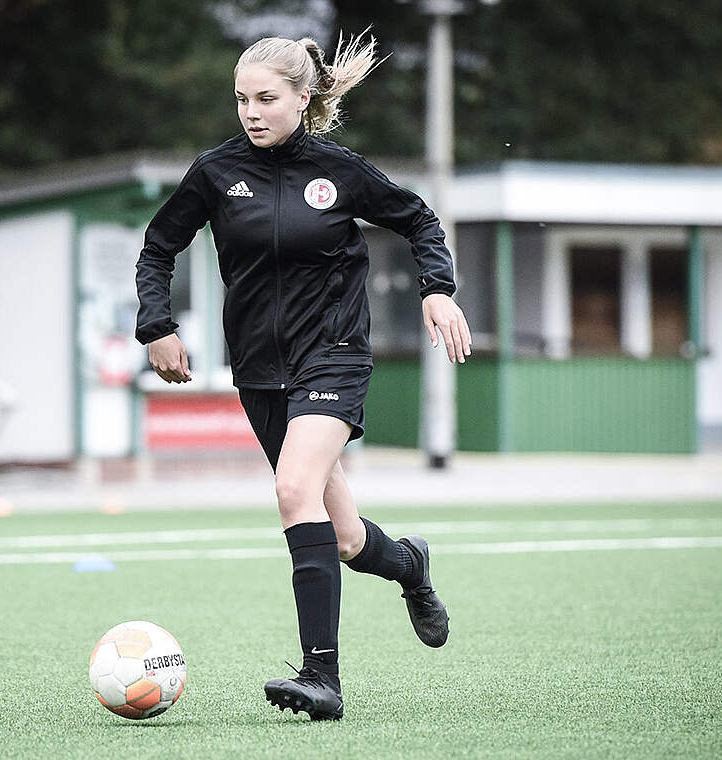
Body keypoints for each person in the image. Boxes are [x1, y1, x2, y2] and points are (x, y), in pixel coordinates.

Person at [135, 34, 472, 720]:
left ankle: (323, 678)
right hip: (259, 368)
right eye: (241, 99)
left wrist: (438, 287)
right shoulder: (215, 173)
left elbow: (418, 218)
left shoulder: (338, 170)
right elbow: (158, 247)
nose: (251, 113)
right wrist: (157, 325)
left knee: (293, 489)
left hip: (335, 353)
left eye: (266, 99)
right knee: (344, 538)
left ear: (303, 98)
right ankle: (409, 565)